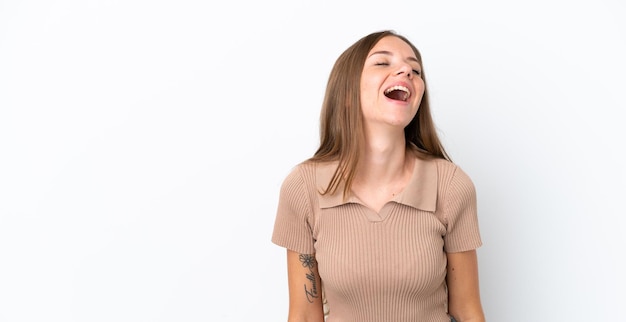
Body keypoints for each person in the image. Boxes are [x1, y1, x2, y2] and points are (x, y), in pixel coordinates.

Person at [271, 30, 485, 322]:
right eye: (382, 63)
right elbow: (305, 316)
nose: (406, 70)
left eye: (415, 69)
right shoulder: (303, 187)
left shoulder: (450, 185)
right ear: (346, 94)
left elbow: (467, 311)